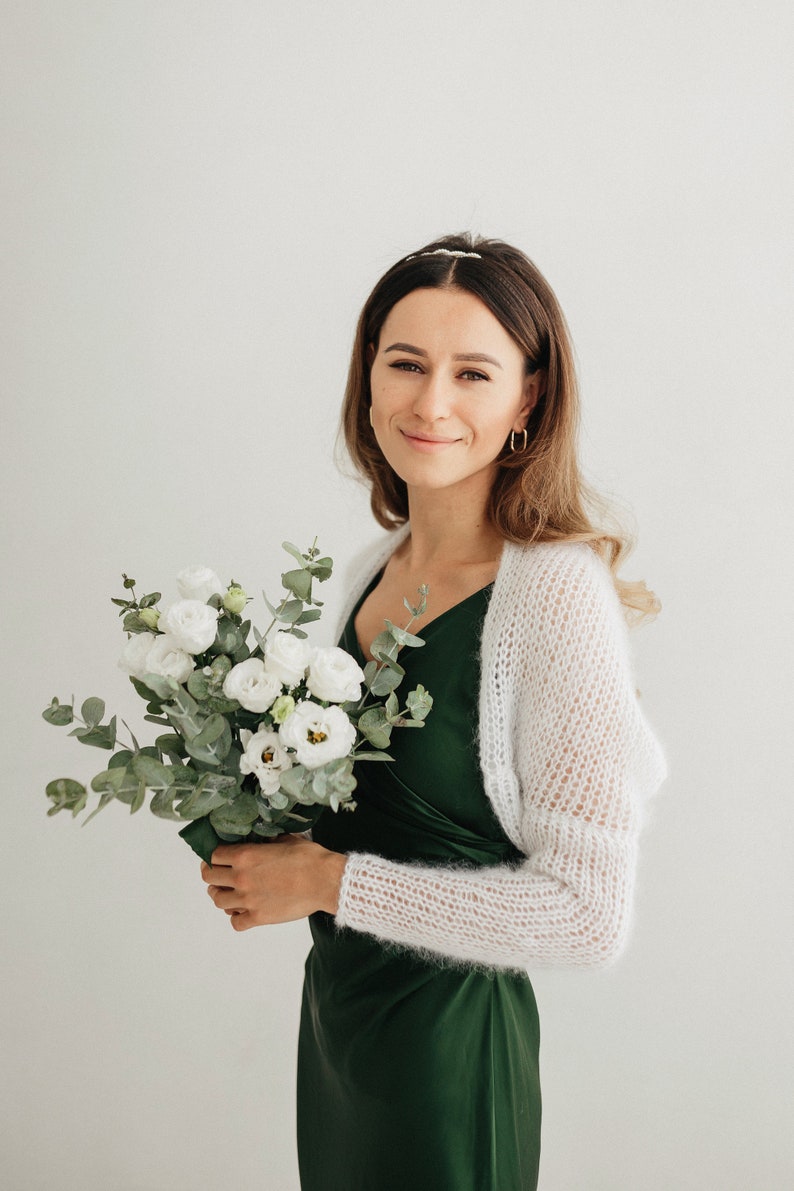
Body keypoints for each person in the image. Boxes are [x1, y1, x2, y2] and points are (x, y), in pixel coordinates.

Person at [200, 234, 667, 1190]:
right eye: (405, 362)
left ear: (527, 399)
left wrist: (331, 883)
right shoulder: (376, 571)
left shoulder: (555, 598)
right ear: (367, 372)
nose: (431, 402)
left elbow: (588, 914)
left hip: (451, 1065)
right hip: (344, 1034)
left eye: (473, 372)